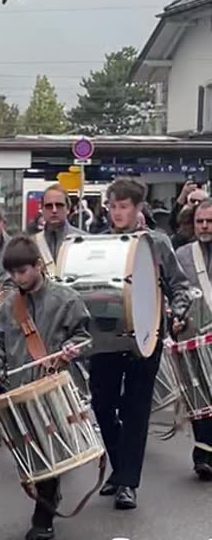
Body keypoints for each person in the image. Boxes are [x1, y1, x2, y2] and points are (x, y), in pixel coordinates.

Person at [88, 178, 193, 510]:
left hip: (145, 338)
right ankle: (120, 468)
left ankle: (127, 483)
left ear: (137, 209)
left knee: (135, 410)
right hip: (104, 338)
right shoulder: (98, 244)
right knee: (103, 405)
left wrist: (176, 314)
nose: (117, 213)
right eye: (113, 206)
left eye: (123, 206)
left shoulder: (157, 243)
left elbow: (181, 287)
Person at [0, 236, 92, 540]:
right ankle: (46, 498)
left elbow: (84, 336)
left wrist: (71, 348)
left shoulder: (66, 299)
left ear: (39, 266)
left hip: (53, 384)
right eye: (13, 273)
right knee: (29, 450)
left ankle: (44, 514)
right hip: (19, 387)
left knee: (49, 449)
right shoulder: (7, 306)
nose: (17, 278)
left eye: (23, 271)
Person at [175, 197, 212, 482]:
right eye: (200, 221)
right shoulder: (183, 255)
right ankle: (203, 455)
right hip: (193, 336)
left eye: (209, 221)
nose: (204, 226)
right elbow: (175, 292)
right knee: (199, 398)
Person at [26, 184, 79, 274]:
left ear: (68, 209)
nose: (54, 210)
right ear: (42, 210)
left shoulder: (82, 241)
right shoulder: (31, 244)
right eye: (49, 206)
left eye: (59, 205)